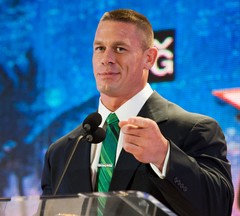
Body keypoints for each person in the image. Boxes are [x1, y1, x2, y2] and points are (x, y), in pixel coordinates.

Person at [41, 9, 234, 216]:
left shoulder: (194, 130)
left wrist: (164, 156)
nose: (106, 58)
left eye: (120, 48)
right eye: (99, 48)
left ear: (149, 58)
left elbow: (218, 209)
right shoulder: (63, 151)